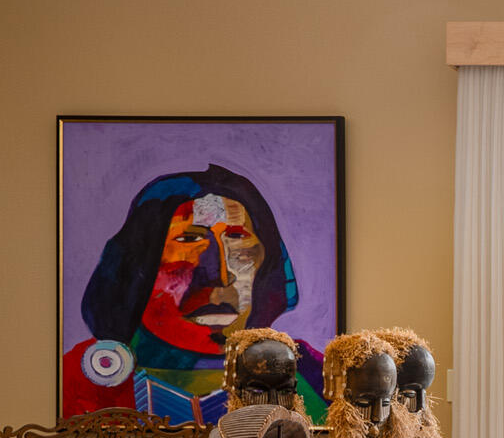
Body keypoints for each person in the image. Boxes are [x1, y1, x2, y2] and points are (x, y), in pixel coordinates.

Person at [64, 164, 326, 422]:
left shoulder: (310, 374)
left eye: (236, 236)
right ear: (137, 263)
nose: (220, 276)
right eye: (189, 239)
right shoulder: (78, 378)